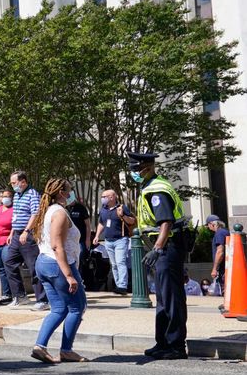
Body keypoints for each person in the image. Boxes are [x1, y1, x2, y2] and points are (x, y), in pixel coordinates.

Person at [129, 151, 191, 360]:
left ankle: (176, 345)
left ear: (147, 168)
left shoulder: (157, 190)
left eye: (136, 169)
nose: (134, 173)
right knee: (163, 298)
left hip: (167, 247)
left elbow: (166, 222)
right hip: (163, 249)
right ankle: (163, 342)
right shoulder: (150, 186)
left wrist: (157, 249)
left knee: (171, 297)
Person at [26, 178, 88, 364]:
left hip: (45, 263)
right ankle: (66, 350)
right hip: (58, 264)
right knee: (77, 307)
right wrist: (69, 275)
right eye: (69, 190)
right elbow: (57, 246)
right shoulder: (59, 213)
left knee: (59, 309)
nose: (71, 193)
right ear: (61, 192)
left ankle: (40, 346)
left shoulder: (49, 211)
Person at [3, 171, 46, 309]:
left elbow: (36, 214)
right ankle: (20, 296)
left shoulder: (32, 194)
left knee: (33, 266)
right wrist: (12, 233)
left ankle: (42, 299)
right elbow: (16, 215)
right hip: (16, 234)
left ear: (23, 182)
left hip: (28, 234)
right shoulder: (17, 195)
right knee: (9, 262)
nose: (13, 185)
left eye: (14, 183)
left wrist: (26, 231)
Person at [93, 189, 136, 295]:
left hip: (120, 240)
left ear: (112, 197)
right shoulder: (103, 209)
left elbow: (132, 221)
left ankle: (122, 286)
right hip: (108, 241)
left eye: (104, 197)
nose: (102, 199)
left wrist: (123, 215)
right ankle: (118, 285)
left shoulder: (121, 208)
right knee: (114, 264)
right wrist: (97, 236)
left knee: (120, 262)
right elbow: (101, 223)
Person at [65, 188, 92, 257]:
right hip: (69, 240)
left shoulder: (81, 208)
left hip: (81, 240)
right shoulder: (65, 208)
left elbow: (88, 225)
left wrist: (88, 239)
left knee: (80, 256)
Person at [206, 215, 229, 292]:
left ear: (212, 224)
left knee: (225, 291)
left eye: (208, 225)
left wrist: (214, 269)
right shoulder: (225, 231)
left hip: (224, 269)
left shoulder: (219, 233)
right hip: (227, 267)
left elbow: (220, 252)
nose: (208, 227)